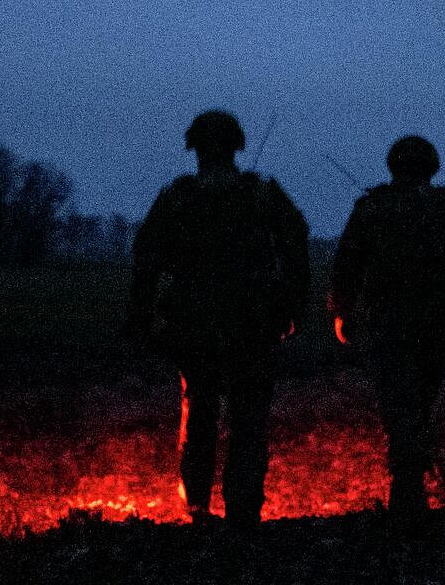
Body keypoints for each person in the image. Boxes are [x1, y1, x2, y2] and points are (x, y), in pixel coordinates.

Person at [125, 110, 309, 530]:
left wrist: (142, 315)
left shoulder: (178, 196)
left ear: (194, 148)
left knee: (200, 411)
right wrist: (291, 305)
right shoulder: (261, 194)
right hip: (253, 322)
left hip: (194, 323)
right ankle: (243, 509)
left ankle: (197, 507)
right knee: (249, 417)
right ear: (237, 146)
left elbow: (146, 256)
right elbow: (296, 240)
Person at [327, 135, 445, 521]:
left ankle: (407, 496)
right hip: (436, 326)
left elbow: (347, 264)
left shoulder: (373, 208)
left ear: (392, 167)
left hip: (387, 328)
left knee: (401, 408)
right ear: (432, 167)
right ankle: (411, 491)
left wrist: (342, 312)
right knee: (418, 404)